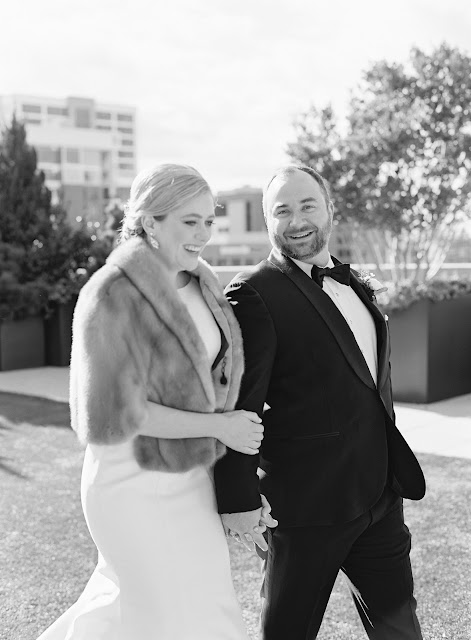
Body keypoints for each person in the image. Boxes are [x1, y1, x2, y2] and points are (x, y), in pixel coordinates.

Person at [37, 163, 274, 640]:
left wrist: (235, 485)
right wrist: (221, 427)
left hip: (191, 478)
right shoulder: (111, 295)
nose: (204, 234)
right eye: (190, 221)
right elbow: (119, 413)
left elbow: (211, 387)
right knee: (163, 618)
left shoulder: (205, 284)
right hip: (128, 484)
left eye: (209, 221)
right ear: (150, 222)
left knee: (196, 609)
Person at [214, 164, 426, 639]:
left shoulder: (355, 284)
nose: (296, 220)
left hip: (379, 495)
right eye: (282, 211)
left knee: (400, 629)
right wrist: (237, 498)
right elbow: (239, 403)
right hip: (305, 508)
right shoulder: (253, 292)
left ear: (329, 209)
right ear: (267, 221)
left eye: (307, 205)